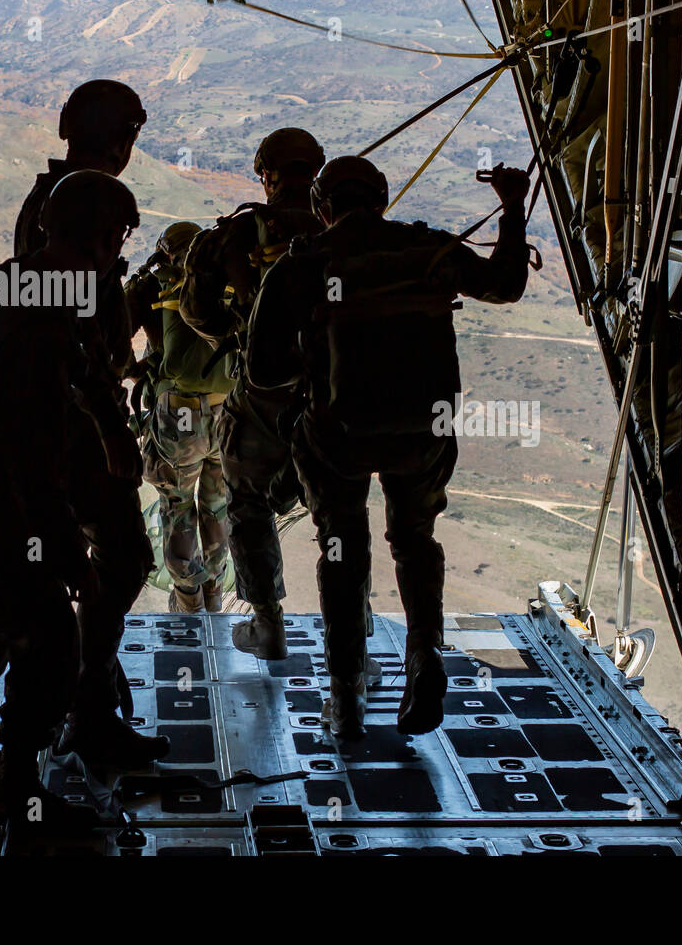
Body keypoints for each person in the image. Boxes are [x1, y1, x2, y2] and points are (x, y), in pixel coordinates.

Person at [244, 156, 532, 739]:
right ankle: (424, 654)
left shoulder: (306, 263)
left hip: (336, 438)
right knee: (415, 540)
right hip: (422, 431)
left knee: (342, 554)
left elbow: (261, 372)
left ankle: (346, 699)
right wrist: (512, 207)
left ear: (324, 207)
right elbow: (506, 285)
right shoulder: (427, 249)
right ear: (383, 198)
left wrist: (312, 365)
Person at [0, 172, 142, 829]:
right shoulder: (54, 311)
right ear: (104, 236)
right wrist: (66, 548)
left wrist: (105, 419)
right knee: (49, 636)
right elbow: (32, 447)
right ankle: (18, 788)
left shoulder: (5, 278)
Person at [12, 79, 167, 769]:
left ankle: (81, 701)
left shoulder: (56, 199)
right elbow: (75, 341)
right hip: (72, 429)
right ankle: (86, 706)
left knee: (80, 567)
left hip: (57, 422)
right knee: (125, 557)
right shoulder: (83, 203)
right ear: (123, 137)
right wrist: (109, 428)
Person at [177, 128, 324, 657]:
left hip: (263, 394)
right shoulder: (344, 228)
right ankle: (354, 630)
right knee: (340, 510)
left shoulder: (239, 233)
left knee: (248, 503)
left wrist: (240, 335)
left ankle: (269, 624)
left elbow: (197, 310)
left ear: (267, 174)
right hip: (334, 392)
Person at [132, 221, 234, 613]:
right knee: (217, 504)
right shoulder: (227, 284)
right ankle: (212, 594)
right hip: (226, 410)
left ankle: (188, 598)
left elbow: (114, 335)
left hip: (180, 417)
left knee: (177, 504)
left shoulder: (158, 285)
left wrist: (141, 370)